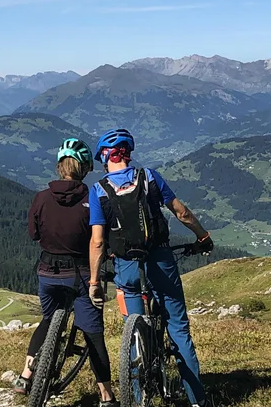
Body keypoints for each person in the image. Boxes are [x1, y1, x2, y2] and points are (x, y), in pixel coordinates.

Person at [86, 128, 214, 407]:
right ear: (128, 154)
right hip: (160, 261)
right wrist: (202, 237)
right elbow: (181, 212)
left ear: (104, 158)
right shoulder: (149, 178)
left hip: (127, 268)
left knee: (135, 335)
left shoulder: (98, 191)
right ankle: (198, 401)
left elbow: (97, 242)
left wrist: (94, 281)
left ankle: (137, 396)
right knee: (178, 330)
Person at [14, 138, 118, 407]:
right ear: (83, 168)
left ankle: (26, 375)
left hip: (48, 272)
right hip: (82, 274)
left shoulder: (41, 198)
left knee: (48, 319)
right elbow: (102, 239)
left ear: (60, 166)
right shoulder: (93, 196)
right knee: (93, 333)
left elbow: (33, 234)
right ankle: (106, 396)